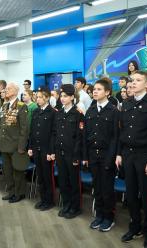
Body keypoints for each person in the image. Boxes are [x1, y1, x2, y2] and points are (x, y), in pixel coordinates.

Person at [116, 71, 147, 248]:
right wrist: (119, 153)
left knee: (146, 196)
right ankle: (135, 227)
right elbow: (121, 132)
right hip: (127, 154)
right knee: (131, 194)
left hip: (145, 155)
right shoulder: (126, 104)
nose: (133, 83)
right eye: (132, 80)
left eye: (138, 80)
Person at [83, 79, 119, 232]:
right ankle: (99, 215)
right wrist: (85, 156)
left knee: (107, 189)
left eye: (99, 89)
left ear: (107, 92)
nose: (95, 92)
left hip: (107, 155)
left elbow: (115, 138)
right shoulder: (90, 111)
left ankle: (108, 217)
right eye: (94, 89)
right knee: (96, 187)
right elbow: (85, 135)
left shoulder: (113, 111)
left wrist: (111, 158)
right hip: (93, 154)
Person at [51, 84, 84, 219]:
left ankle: (75, 207)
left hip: (72, 154)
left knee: (74, 182)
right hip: (60, 153)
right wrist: (54, 151)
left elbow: (79, 137)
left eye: (65, 96)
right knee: (63, 181)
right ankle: (66, 204)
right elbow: (54, 133)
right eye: (61, 96)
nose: (62, 99)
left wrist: (76, 156)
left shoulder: (77, 114)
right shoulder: (59, 113)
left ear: (72, 97)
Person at [0, 82, 29, 203]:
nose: (7, 90)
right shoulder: (5, 106)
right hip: (5, 144)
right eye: (6, 89)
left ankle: (19, 193)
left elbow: (24, 129)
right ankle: (11, 192)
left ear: (16, 91)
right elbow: (2, 126)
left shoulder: (21, 106)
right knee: (7, 171)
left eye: (9, 89)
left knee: (17, 171)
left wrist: (21, 146)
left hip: (16, 145)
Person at [28, 87, 56, 211]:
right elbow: (32, 131)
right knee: (40, 175)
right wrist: (30, 147)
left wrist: (51, 151)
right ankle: (43, 199)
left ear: (47, 98)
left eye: (40, 97)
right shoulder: (36, 112)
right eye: (37, 97)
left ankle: (49, 201)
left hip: (46, 151)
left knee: (47, 176)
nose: (37, 99)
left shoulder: (52, 112)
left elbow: (53, 134)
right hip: (36, 148)